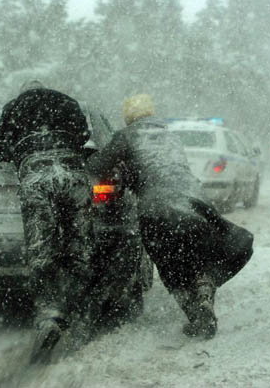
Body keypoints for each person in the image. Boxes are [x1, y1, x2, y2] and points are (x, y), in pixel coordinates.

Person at [85, 94, 254, 339]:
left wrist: (105, 165)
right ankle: (204, 295)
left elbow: (96, 167)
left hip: (158, 211)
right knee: (200, 257)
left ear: (128, 117)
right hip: (196, 206)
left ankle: (196, 316)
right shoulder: (171, 137)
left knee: (171, 268)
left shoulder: (126, 136)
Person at [0, 80, 93, 363]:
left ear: (24, 91)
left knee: (42, 250)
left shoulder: (13, 107)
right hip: (73, 172)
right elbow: (84, 136)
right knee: (80, 245)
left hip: (36, 175)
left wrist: (20, 152)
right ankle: (80, 313)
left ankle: (50, 317)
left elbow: (1, 147)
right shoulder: (67, 100)